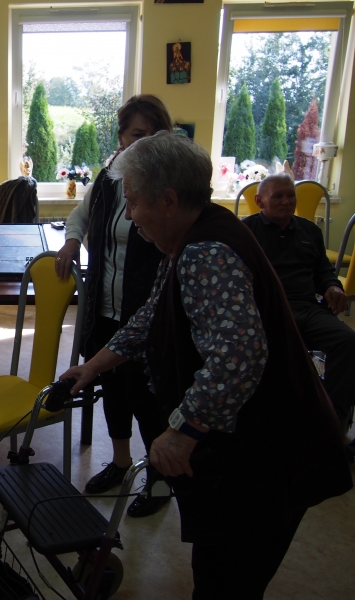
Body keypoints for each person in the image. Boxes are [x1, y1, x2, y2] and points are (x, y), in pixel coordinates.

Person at [61, 133, 352, 598]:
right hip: (259, 446)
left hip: (271, 455)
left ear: (169, 200)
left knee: (226, 581)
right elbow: (153, 314)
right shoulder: (194, 234)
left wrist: (183, 430)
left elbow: (239, 356)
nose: (129, 216)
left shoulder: (205, 252)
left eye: (133, 202)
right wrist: (94, 365)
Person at [55, 94, 173, 517]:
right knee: (114, 391)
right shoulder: (107, 179)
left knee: (147, 397)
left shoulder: (165, 185)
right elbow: (79, 215)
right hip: (104, 308)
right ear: (121, 137)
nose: (144, 142)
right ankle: (121, 463)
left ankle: (160, 481)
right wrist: (72, 242)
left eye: (153, 135)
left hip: (145, 311)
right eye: (137, 134)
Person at [242, 173, 355, 454]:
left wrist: (332, 286)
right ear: (260, 201)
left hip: (307, 306)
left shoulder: (309, 231)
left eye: (290, 195)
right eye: (278, 196)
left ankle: (332, 428)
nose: (286, 201)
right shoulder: (246, 231)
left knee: (347, 342)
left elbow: (323, 271)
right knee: (274, 350)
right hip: (267, 310)